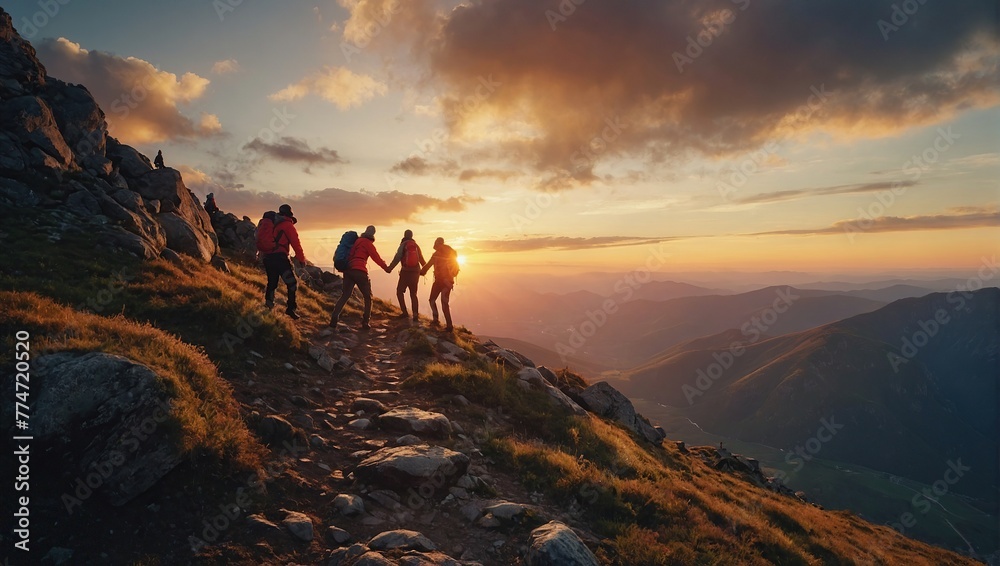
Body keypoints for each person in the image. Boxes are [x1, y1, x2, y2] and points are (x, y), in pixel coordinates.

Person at [329, 225, 388, 330]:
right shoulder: (368, 243)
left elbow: (350, 254)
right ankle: (365, 322)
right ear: (373, 234)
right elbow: (376, 257)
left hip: (348, 270)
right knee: (367, 297)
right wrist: (386, 268)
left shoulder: (356, 241)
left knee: (345, 295)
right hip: (360, 271)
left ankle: (334, 318)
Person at [263, 204, 306, 319]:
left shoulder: (272, 223)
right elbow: (296, 244)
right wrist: (301, 259)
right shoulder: (288, 225)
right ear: (290, 215)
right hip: (280, 258)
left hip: (268, 257)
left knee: (272, 282)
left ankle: (268, 305)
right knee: (292, 283)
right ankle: (290, 309)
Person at [385, 229, 426, 322]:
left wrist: (390, 268)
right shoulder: (416, 245)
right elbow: (422, 259)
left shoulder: (403, 245)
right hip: (416, 272)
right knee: (413, 294)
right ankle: (415, 315)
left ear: (404, 235)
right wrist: (424, 270)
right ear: (412, 236)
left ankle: (405, 312)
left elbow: (397, 257)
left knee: (399, 291)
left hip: (405, 272)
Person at [420, 237, 459, 332]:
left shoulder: (436, 255)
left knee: (432, 300)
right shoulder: (451, 254)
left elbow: (427, 266)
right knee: (445, 303)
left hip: (438, 282)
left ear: (436, 244)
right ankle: (449, 326)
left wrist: (420, 272)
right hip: (448, 283)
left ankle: (436, 320)